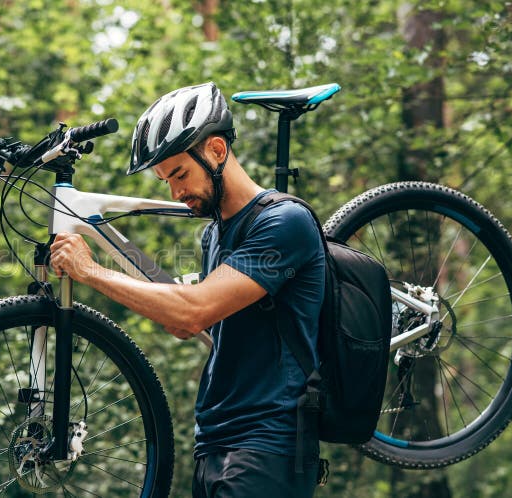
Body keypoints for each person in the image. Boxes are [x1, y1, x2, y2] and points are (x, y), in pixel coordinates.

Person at [49, 82, 325, 498]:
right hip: (215, 444)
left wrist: (89, 272)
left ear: (216, 150)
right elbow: (188, 324)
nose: (176, 193)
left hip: (267, 447)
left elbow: (191, 313)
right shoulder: (214, 236)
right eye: (166, 181)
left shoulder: (284, 222)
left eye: (179, 173)